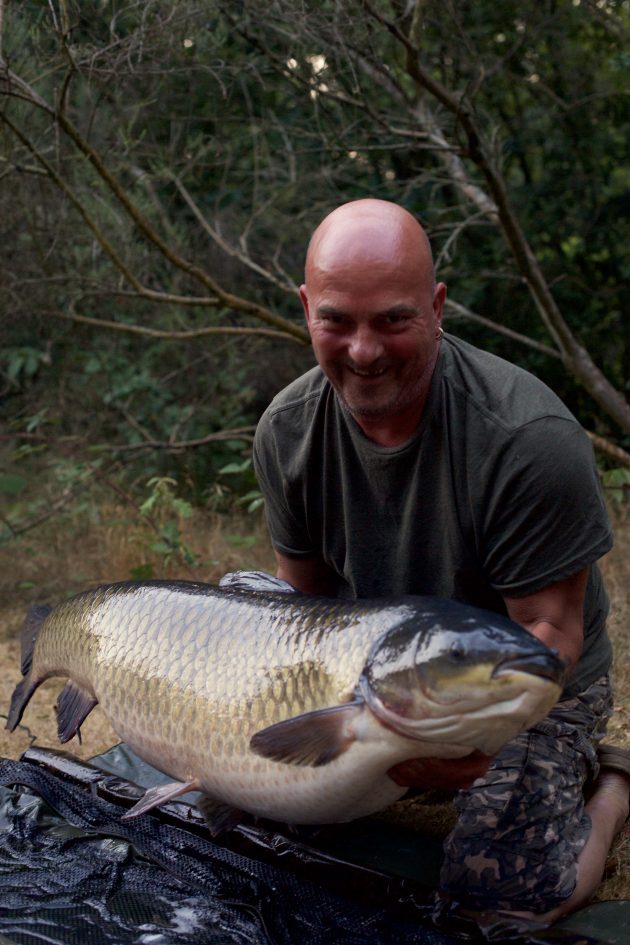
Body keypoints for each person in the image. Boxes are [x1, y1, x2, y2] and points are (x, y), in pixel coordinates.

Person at [252, 198, 630, 928]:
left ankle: (612, 788)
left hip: (518, 679)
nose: (364, 350)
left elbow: (551, 633)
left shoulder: (528, 437)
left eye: (393, 319)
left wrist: (472, 743)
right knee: (258, 818)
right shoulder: (287, 431)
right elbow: (298, 619)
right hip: (373, 672)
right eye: (337, 320)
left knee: (505, 896)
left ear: (436, 307)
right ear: (306, 309)